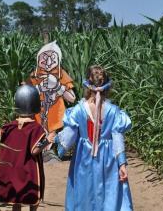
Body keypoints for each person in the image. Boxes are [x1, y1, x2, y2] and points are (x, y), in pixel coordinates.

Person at [54, 65, 134, 211]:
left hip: (84, 158)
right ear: (107, 87)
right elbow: (117, 138)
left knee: (85, 193)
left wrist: (56, 143)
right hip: (108, 159)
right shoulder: (114, 111)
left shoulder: (78, 110)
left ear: (88, 86)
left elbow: (68, 137)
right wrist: (121, 164)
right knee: (108, 193)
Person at [0, 85, 55, 211]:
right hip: (29, 170)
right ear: (35, 104)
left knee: (17, 199)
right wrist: (47, 141)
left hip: (12, 170)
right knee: (33, 197)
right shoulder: (36, 128)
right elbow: (34, 150)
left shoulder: (6, 128)